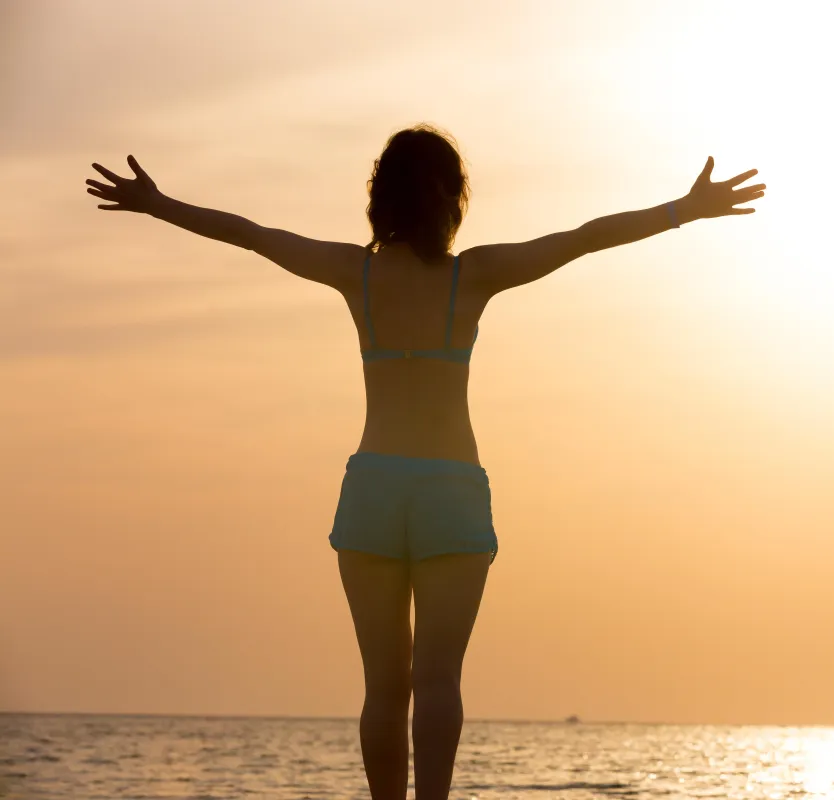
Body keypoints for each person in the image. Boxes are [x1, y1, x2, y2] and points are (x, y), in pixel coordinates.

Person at [85, 124, 765, 800]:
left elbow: (254, 235)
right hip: (449, 491)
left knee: (384, 685)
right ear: (451, 197)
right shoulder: (475, 276)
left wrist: (159, 204)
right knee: (437, 681)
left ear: (381, 199)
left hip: (375, 488)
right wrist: (683, 209)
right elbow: (582, 238)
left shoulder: (356, 272)